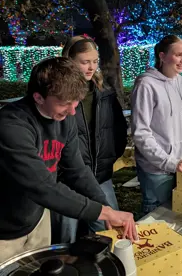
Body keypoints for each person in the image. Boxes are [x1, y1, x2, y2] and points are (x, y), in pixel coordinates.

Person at [0, 57, 137, 264]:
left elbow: (77, 170)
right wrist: (104, 212)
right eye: (65, 103)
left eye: (76, 102)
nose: (73, 111)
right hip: (4, 229)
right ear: (38, 97)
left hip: (37, 219)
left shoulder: (66, 117)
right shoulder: (11, 125)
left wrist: (106, 207)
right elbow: (42, 186)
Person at [51, 36, 127, 244]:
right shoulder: (57, 95)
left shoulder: (104, 93)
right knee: (65, 239)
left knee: (110, 233)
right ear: (69, 60)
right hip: (66, 182)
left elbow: (118, 128)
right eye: (85, 61)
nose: (91, 67)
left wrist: (109, 156)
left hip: (100, 177)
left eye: (95, 61)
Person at [131, 35, 182, 214]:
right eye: (178, 55)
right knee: (157, 216)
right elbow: (141, 134)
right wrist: (169, 162)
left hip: (181, 165)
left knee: (178, 215)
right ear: (162, 56)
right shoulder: (146, 84)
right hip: (156, 171)